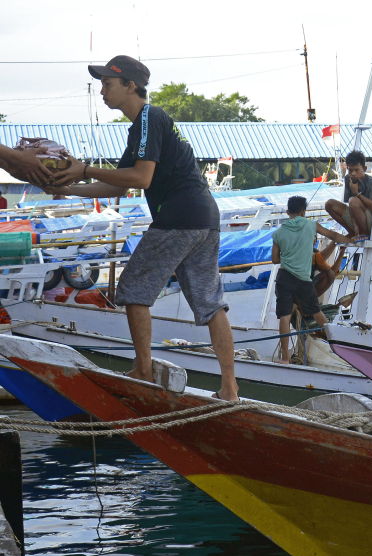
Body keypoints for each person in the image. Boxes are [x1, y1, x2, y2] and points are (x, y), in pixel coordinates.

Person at [47, 55, 240, 401]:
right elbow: (119, 187)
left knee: (133, 287)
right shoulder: (142, 127)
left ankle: (143, 370)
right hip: (204, 218)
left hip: (179, 218)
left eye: (107, 84)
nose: (102, 91)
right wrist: (70, 188)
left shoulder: (149, 117)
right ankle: (230, 389)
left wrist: (86, 169)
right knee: (211, 303)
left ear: (130, 86)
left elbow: (141, 178)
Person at [271, 195, 350, 365]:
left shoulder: (278, 233)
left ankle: (285, 359)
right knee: (317, 312)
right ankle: (338, 346)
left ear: (287, 212)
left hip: (284, 277)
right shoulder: (311, 225)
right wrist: (350, 239)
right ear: (303, 211)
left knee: (284, 317)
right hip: (302, 279)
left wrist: (289, 255)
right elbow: (333, 236)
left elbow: (275, 259)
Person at [325, 150, 372, 239]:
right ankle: (352, 232)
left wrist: (357, 194)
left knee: (353, 200)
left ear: (364, 169)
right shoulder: (348, 179)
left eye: (356, 170)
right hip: (357, 216)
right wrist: (355, 225)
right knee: (329, 204)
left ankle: (364, 233)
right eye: (350, 170)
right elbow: (351, 207)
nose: (353, 173)